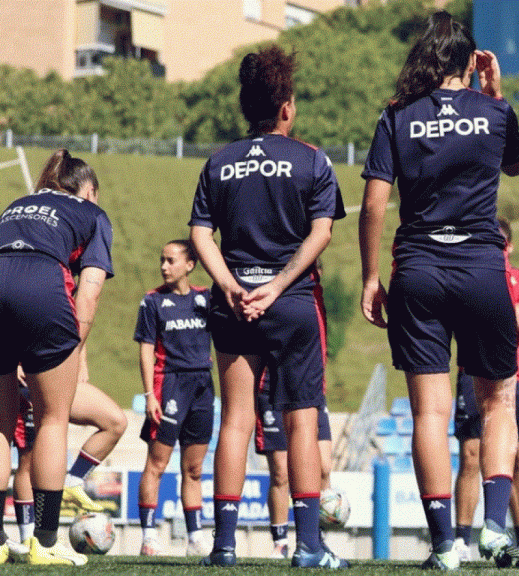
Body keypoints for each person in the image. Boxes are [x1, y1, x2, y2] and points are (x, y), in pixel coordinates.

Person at [360, 10, 519, 570]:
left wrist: (370, 276)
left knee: (429, 414)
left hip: (418, 271)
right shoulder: (494, 110)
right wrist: (496, 93)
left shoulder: (398, 115)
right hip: (482, 268)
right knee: (498, 398)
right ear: (470, 62)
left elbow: (374, 204)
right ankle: (495, 529)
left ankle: (443, 547)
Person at [189, 44, 347, 569]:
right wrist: (276, 286)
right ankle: (307, 547)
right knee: (302, 422)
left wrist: (232, 285)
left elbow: (200, 235)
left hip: (231, 305)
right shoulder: (312, 159)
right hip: (292, 305)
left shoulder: (218, 163)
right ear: (287, 107)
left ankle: (224, 546)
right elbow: (321, 233)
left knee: (235, 419)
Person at [0, 149, 114, 565]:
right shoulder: (92, 213)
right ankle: (44, 543)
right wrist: (72, 348)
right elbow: (90, 291)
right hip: (41, 290)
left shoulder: (17, 203)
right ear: (89, 190)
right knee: (52, 418)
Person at [452, 217, 519, 563]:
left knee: (518, 457)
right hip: (471, 371)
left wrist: (487, 300)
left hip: (516, 377)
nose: (498, 249)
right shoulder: (473, 276)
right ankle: (462, 538)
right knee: (470, 457)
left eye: (502, 243)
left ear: (510, 246)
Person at [134, 239, 213, 557]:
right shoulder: (152, 301)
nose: (164, 266)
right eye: (162, 260)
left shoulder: (206, 298)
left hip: (203, 387)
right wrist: (150, 394)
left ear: (190, 264)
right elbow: (145, 347)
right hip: (169, 386)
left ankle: (194, 537)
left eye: (171, 260)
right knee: (157, 464)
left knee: (193, 469)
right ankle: (148, 536)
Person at [11, 347, 127, 559]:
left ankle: (73, 481)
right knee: (28, 460)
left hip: (62, 370)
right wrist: (15, 363)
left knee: (115, 422)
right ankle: (29, 539)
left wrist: (81, 360)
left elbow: (79, 323)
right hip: (29, 376)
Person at [254, 369, 335, 558]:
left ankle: (317, 539)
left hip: (309, 388)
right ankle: (281, 543)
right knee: (280, 473)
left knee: (324, 468)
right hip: (271, 390)